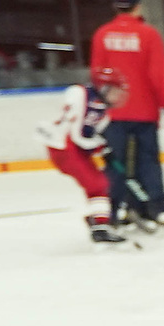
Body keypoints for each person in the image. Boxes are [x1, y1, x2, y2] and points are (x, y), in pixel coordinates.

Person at [86, 0, 164, 227]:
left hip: (112, 113)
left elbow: (97, 75)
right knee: (147, 161)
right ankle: (152, 208)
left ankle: (112, 210)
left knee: (116, 164)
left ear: (115, 6)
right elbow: (158, 75)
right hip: (144, 111)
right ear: (138, 6)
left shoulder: (102, 34)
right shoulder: (148, 35)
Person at [38, 83, 124, 243]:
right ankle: (99, 227)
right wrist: (100, 147)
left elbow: (88, 134)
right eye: (115, 92)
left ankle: (98, 221)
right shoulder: (82, 95)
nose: (118, 97)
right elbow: (77, 135)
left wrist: (101, 148)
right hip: (65, 148)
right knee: (97, 184)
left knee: (98, 184)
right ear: (104, 89)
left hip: (70, 148)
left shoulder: (101, 110)